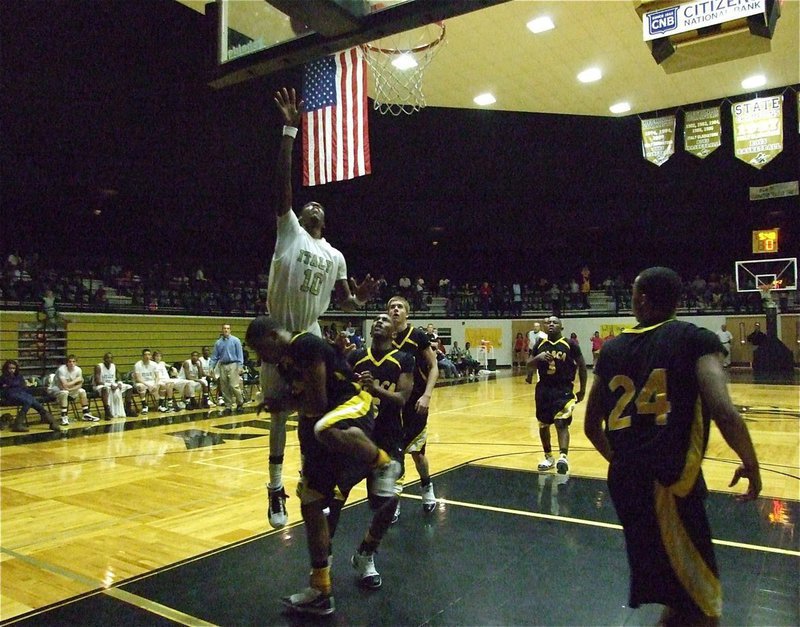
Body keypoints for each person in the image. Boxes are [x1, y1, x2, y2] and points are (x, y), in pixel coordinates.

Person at [583, 266, 761, 626]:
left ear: (643, 300)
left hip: (626, 484)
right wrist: (751, 463)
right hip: (668, 484)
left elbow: (590, 427)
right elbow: (723, 410)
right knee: (705, 603)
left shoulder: (613, 348)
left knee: (683, 599)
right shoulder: (695, 339)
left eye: (633, 293)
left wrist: (624, 463)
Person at [259, 87, 378, 530]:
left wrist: (361, 299)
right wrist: (289, 131)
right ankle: (274, 487)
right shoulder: (289, 231)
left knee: (313, 407)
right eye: (307, 203)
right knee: (276, 409)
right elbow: (282, 189)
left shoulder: (335, 255)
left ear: (323, 222)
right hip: (278, 328)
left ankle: (314, 478)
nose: (311, 205)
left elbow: (348, 301)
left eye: (318, 206)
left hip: (309, 331)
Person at [245, 316, 402, 616]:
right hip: (326, 427)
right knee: (311, 504)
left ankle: (383, 464)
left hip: (352, 406)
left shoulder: (305, 343)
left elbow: (316, 403)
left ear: (272, 337)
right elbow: (305, 402)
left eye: (258, 348)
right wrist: (283, 402)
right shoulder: (285, 364)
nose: (259, 356)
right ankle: (321, 589)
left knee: (322, 427)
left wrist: (286, 404)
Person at [340, 313, 413, 585]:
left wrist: (374, 390)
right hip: (357, 437)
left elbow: (402, 398)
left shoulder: (403, 359)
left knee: (386, 503)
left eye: (386, 319)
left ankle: (365, 554)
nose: (381, 321)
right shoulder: (356, 356)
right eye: (378, 318)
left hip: (388, 438)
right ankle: (322, 565)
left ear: (394, 331)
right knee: (334, 499)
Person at [388, 295, 439, 519]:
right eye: (392, 307)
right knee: (394, 455)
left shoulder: (417, 335)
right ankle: (394, 501)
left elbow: (434, 366)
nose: (395, 310)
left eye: (400, 306)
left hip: (416, 402)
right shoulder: (384, 338)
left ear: (407, 313)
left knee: (417, 453)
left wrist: (427, 395)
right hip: (392, 404)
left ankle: (427, 487)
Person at [530, 316, 587, 474]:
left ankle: (563, 456)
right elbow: (529, 365)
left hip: (563, 389)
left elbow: (582, 366)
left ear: (561, 327)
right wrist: (537, 358)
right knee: (543, 425)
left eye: (555, 322)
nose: (551, 324)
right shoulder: (539, 345)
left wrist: (582, 389)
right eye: (548, 322)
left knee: (561, 422)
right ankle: (548, 457)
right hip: (543, 389)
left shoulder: (570, 344)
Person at [0, 359, 61, 432]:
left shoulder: (19, 376)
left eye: (13, 368)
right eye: (10, 368)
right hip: (10, 395)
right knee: (28, 401)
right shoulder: (3, 377)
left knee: (32, 401)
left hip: (21, 393)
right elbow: (4, 389)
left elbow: (23, 387)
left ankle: (52, 422)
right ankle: (18, 424)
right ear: (6, 369)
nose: (12, 370)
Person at [48, 354, 100, 425]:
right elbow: (64, 385)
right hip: (55, 388)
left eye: (73, 361)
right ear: (67, 363)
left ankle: (86, 414)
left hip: (69, 389)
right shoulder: (61, 370)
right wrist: (77, 380)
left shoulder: (78, 370)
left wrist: (71, 388)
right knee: (64, 392)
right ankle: (64, 416)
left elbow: (80, 385)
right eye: (70, 361)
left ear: (76, 363)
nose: (71, 363)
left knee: (82, 391)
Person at [208, 323, 245, 414]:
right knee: (224, 387)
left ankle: (240, 403)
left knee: (234, 385)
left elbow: (240, 354)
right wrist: (211, 367)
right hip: (223, 365)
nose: (226, 330)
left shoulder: (236, 340)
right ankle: (228, 405)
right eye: (224, 328)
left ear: (230, 330)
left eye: (228, 328)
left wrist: (240, 366)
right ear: (222, 330)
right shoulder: (218, 343)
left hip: (233, 364)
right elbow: (214, 356)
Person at [93, 352, 137, 419]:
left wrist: (119, 383)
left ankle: (128, 409)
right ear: (104, 359)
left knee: (129, 387)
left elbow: (118, 377)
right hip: (100, 386)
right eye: (107, 358)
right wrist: (110, 385)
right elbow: (97, 381)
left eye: (111, 358)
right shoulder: (98, 367)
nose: (109, 359)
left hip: (112, 384)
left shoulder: (113, 366)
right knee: (105, 389)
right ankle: (107, 412)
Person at [132, 348, 161, 414]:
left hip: (151, 381)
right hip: (141, 382)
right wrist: (148, 385)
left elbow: (157, 377)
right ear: (142, 356)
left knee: (161, 385)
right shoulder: (137, 365)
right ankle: (145, 406)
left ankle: (160, 405)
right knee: (141, 387)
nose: (147, 356)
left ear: (151, 356)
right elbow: (138, 379)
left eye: (149, 355)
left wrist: (155, 384)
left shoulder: (154, 364)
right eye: (145, 355)